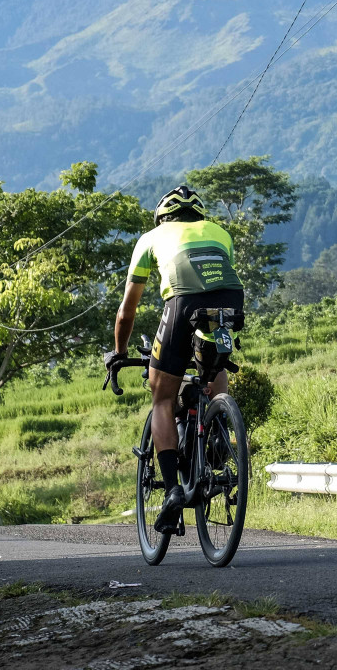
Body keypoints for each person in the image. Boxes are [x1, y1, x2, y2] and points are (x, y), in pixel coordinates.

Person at [106, 185, 244, 534]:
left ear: (162, 217)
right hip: (231, 301)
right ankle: (218, 426)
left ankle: (172, 492)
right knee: (213, 364)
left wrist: (119, 353)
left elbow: (126, 312)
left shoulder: (150, 238)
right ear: (199, 214)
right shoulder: (220, 233)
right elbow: (214, 282)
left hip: (182, 303)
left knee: (162, 398)